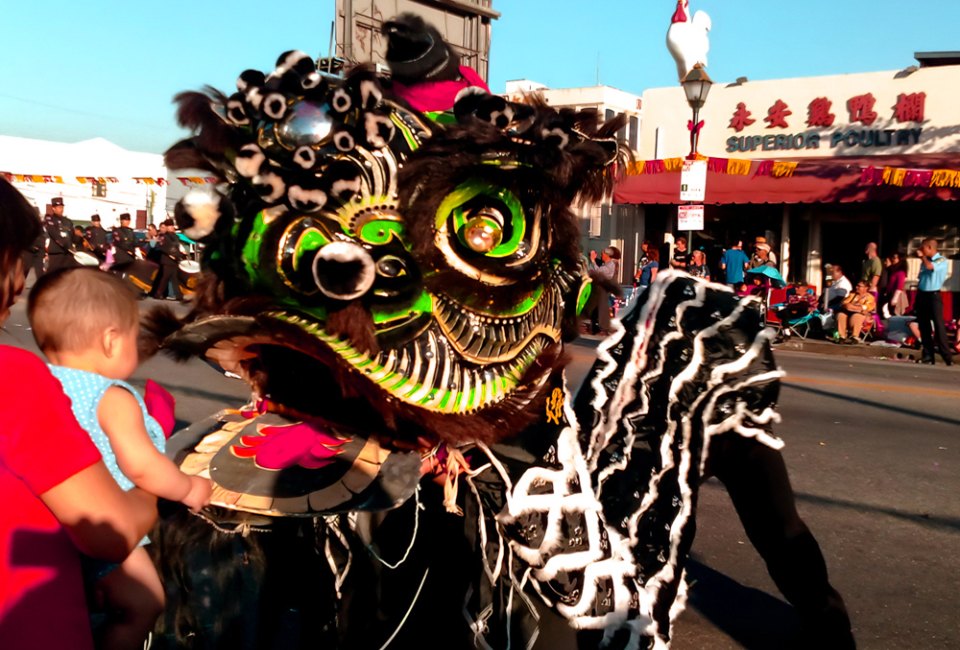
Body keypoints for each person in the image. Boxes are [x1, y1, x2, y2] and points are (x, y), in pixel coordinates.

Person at [0, 178, 158, 650]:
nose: (20, 280)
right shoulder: (13, 378)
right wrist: (151, 481)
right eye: (14, 258)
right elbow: (110, 531)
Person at [28, 267, 212, 649]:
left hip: (51, 519)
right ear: (111, 341)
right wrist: (189, 487)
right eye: (134, 338)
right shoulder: (112, 396)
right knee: (143, 603)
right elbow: (141, 465)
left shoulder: (39, 384)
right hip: (108, 520)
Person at [914, 238, 953, 366]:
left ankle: (946, 355)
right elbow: (921, 276)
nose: (921, 251)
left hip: (934, 294)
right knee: (923, 325)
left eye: (923, 248)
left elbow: (930, 267)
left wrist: (923, 258)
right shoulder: (924, 262)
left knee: (938, 325)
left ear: (929, 248)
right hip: (922, 293)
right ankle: (928, 354)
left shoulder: (940, 259)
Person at [584, 245, 620, 335]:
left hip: (604, 288)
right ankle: (596, 327)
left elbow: (600, 272)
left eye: (602, 254)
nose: (601, 256)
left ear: (607, 255)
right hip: (599, 287)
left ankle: (604, 328)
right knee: (596, 308)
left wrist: (593, 261)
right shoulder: (604, 264)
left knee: (602, 308)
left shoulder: (611, 264)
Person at [151, 219, 185, 301]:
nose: (171, 227)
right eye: (169, 226)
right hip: (167, 259)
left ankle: (178, 295)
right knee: (165, 277)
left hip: (175, 259)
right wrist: (172, 255)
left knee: (175, 278)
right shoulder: (163, 236)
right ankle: (158, 294)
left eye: (172, 226)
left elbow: (177, 247)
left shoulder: (175, 236)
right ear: (166, 227)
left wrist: (181, 254)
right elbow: (163, 248)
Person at [44, 197, 76, 273]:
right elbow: (54, 234)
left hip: (67, 254)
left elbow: (72, 236)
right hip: (56, 254)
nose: (61, 209)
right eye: (58, 207)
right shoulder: (50, 220)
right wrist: (66, 245)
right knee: (53, 277)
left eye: (62, 207)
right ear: (53, 208)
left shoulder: (68, 221)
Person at [882, 251, 908, 318]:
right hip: (891, 293)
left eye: (895, 258)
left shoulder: (901, 272)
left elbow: (900, 286)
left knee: (896, 313)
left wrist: (895, 298)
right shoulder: (894, 271)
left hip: (898, 295)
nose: (892, 259)